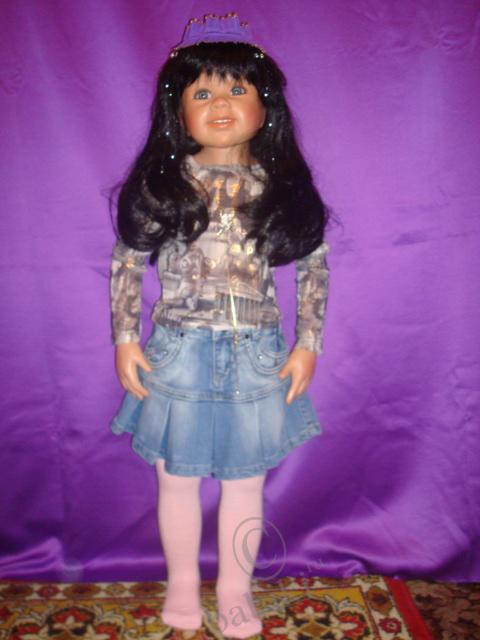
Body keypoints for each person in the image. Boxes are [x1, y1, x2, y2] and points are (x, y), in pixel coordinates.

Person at [108, 12, 333, 639]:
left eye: (237, 89)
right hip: (177, 351)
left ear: (267, 106)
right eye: (202, 92)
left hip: (257, 354)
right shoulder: (164, 184)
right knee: (176, 479)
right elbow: (127, 261)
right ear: (177, 111)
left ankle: (235, 589)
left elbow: (313, 266)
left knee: (245, 481)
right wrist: (125, 338)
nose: (222, 104)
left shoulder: (281, 186)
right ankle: (182, 583)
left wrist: (308, 343)